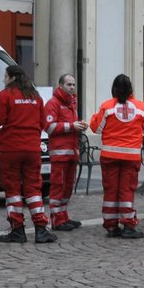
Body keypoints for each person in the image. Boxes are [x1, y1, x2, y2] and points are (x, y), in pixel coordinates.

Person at [0, 65, 55, 245]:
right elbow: (44, 123)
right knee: (34, 190)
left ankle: (17, 230)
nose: (3, 79)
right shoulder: (36, 97)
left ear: (12, 78)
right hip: (32, 149)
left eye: (5, 76)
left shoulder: (5, 96)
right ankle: (41, 230)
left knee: (13, 191)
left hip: (10, 148)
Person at [88, 74, 144, 239]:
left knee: (111, 191)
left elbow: (96, 127)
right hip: (131, 157)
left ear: (114, 89)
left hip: (109, 156)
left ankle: (111, 226)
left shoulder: (107, 107)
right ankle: (129, 225)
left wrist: (96, 116)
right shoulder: (141, 107)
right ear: (131, 90)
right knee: (126, 191)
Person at [43, 73, 88, 231]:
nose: (72, 87)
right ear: (60, 86)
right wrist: (72, 126)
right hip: (60, 154)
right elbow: (49, 127)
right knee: (58, 186)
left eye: (74, 84)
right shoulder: (53, 103)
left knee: (68, 186)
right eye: (69, 84)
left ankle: (63, 216)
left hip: (71, 152)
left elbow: (68, 125)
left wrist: (79, 125)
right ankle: (56, 219)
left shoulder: (71, 103)